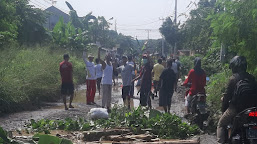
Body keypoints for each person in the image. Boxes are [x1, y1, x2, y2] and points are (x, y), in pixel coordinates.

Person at [217, 56, 257, 144]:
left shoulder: (233, 79)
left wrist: (223, 109)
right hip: (252, 110)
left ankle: (221, 142)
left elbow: (227, 97)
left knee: (221, 124)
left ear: (235, 66)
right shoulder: (252, 78)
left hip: (236, 109)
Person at [98, 48, 113, 113]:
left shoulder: (111, 64)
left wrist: (114, 81)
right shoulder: (104, 64)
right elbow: (99, 58)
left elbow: (111, 73)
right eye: (107, 57)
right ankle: (103, 107)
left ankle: (108, 107)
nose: (108, 58)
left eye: (109, 57)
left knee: (109, 95)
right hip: (105, 82)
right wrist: (99, 51)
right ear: (106, 58)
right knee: (104, 95)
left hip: (110, 82)